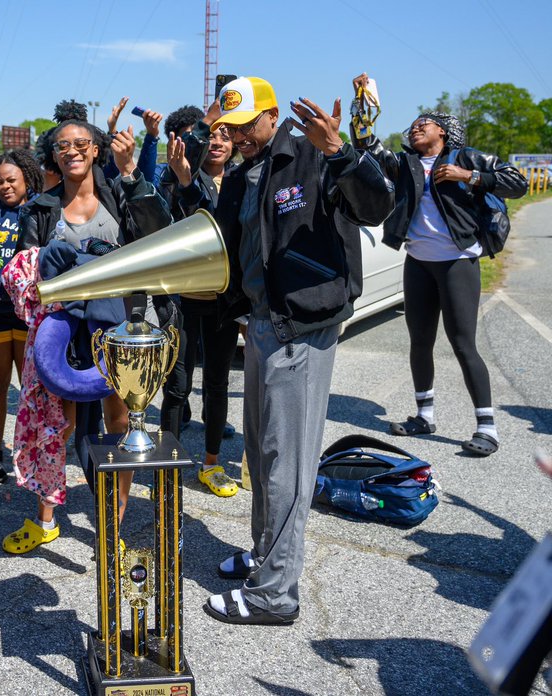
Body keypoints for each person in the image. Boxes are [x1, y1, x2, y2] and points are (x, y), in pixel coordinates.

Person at [200, 77, 394, 624]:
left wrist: (343, 153)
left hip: (302, 329)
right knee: (261, 455)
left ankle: (275, 594)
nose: (239, 136)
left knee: (288, 461)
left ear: (273, 115)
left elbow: (378, 206)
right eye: (230, 128)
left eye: (247, 126)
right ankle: (265, 557)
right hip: (260, 327)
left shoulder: (312, 154)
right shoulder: (242, 172)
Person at [3, 117, 171, 555]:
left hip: (117, 326)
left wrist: (131, 171)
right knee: (57, 424)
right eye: (63, 146)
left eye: (81, 143)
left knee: (121, 421)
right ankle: (45, 519)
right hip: (61, 332)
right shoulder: (40, 208)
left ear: (97, 149)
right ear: (54, 155)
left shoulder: (118, 192)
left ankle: (110, 526)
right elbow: (24, 272)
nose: (73, 150)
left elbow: (156, 231)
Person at [350, 73, 528, 457]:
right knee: (420, 342)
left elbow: (518, 182)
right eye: (414, 126)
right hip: (418, 262)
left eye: (424, 125)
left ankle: (487, 426)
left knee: (463, 343)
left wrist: (472, 176)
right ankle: (424, 415)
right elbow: (367, 145)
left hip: (457, 262)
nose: (416, 129)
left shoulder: (466, 158)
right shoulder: (407, 164)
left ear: (444, 134)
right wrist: (364, 104)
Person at [160, 105, 242, 497]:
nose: (218, 142)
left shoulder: (245, 180)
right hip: (183, 299)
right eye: (212, 135)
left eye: (227, 136)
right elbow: (193, 216)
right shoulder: (177, 178)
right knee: (177, 387)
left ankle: (211, 463)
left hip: (223, 301)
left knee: (218, 383)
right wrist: (183, 176)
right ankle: (168, 461)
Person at [0, 149, 44, 484]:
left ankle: (30, 455)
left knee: (30, 390)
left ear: (27, 180)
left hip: (28, 315)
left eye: (11, 179)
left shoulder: (41, 211)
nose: (5, 186)